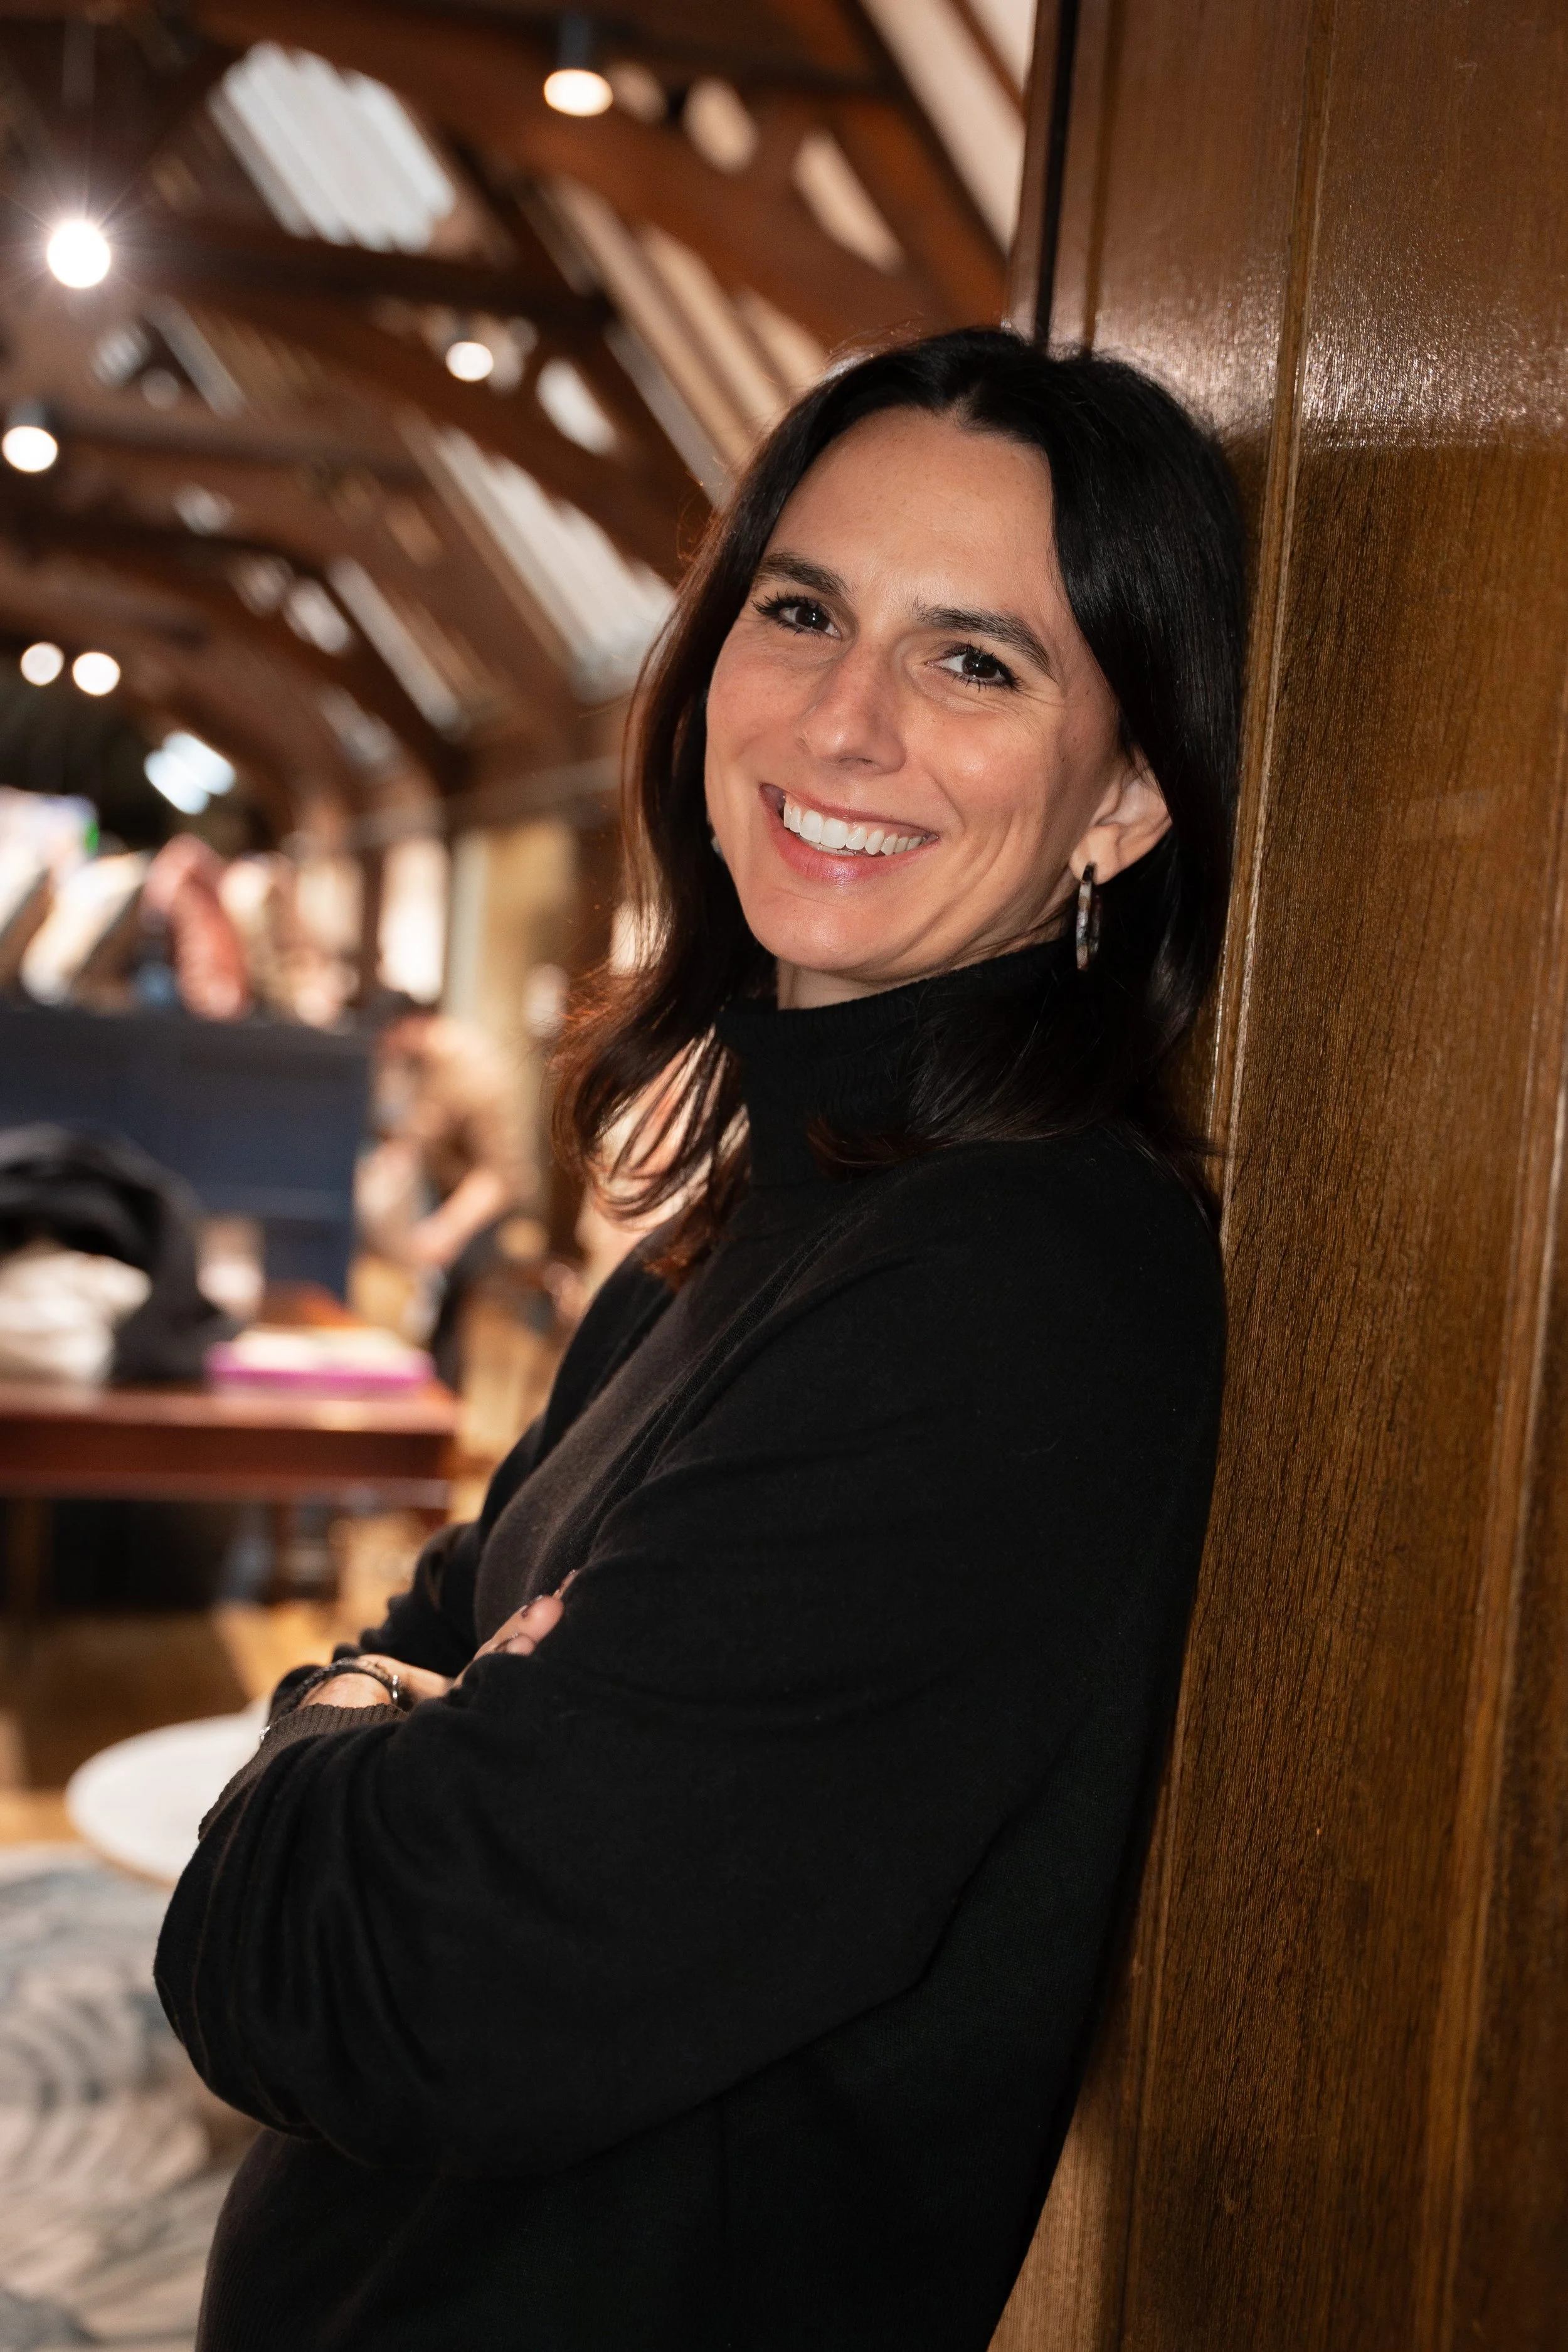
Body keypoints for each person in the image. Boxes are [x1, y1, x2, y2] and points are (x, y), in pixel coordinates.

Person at [156, 327, 1246, 2352]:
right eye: (803, 610)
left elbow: (392, 1979)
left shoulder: (1013, 1293)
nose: (843, 720)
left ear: (1120, 802)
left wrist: (350, 1729)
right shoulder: (757, 1215)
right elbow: (433, 1614)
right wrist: (395, 1709)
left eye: (973, 660)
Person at [356, 1000, 532, 1384]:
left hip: (481, 1209)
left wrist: (447, 1230)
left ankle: (442, 1409)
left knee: (450, 1318)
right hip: (441, 1195)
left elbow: (501, 1175)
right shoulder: (421, 1066)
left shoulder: (477, 1072)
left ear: (408, 1026)